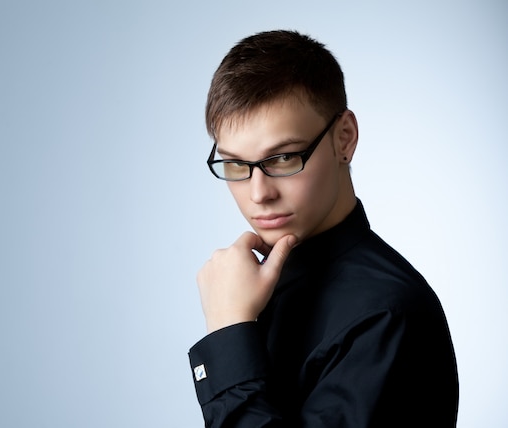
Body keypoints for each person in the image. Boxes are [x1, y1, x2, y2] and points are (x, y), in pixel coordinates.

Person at [188, 30, 458, 427]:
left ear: (344, 139)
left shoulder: (385, 318)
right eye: (235, 165)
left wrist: (228, 331)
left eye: (282, 158)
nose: (258, 193)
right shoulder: (257, 287)